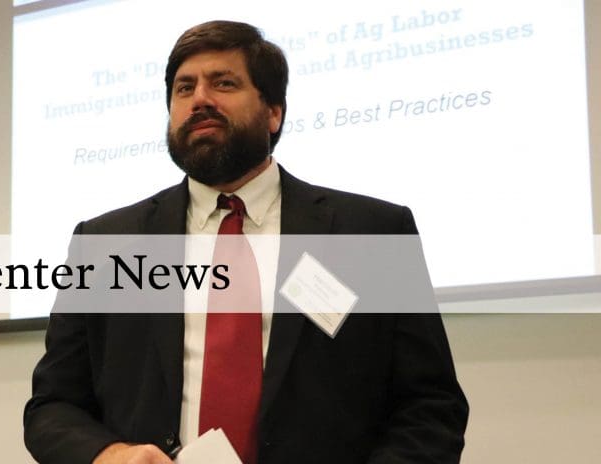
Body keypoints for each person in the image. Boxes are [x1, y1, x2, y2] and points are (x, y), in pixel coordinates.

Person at [24, 20, 468, 464]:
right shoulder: (106, 244)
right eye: (184, 88)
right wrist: (111, 455)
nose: (200, 99)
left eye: (224, 83)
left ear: (273, 112)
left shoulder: (371, 232)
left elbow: (431, 407)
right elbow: (52, 406)